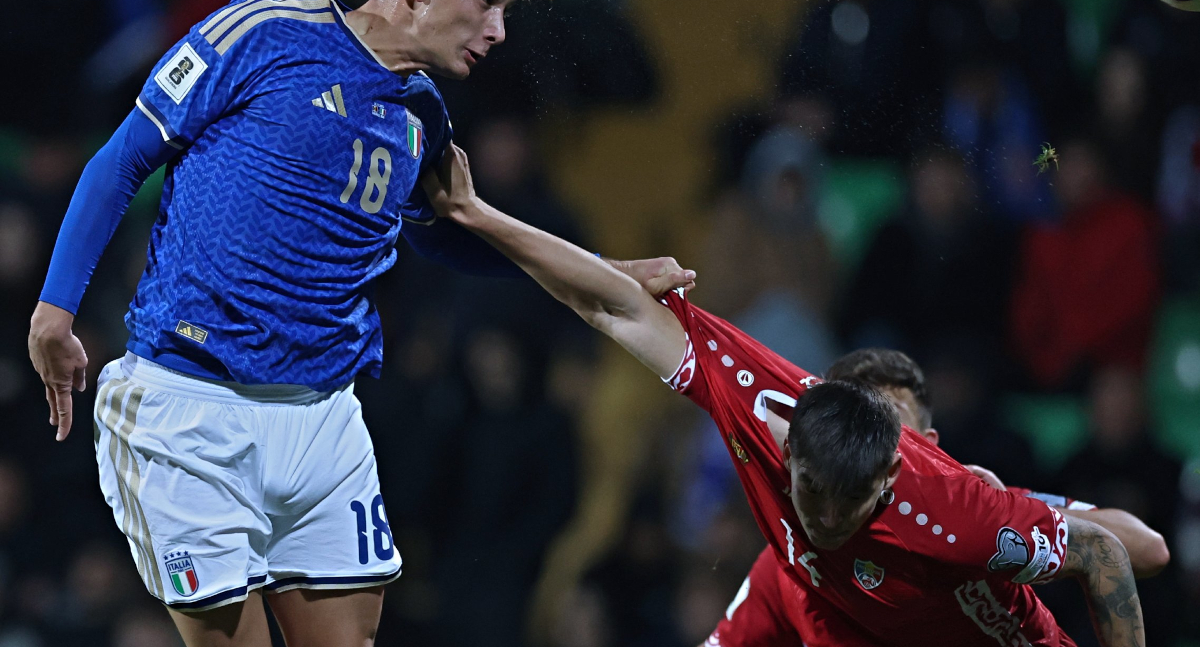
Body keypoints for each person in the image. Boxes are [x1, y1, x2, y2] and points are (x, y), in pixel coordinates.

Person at [26, 0, 573, 647]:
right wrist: (56, 307)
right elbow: (124, 158)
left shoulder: (422, 115)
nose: (498, 29)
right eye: (487, 0)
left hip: (321, 419)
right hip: (190, 408)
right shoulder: (268, 31)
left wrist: (585, 275)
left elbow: (442, 240)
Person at [422, 144, 1147, 647]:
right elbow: (611, 304)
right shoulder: (761, 406)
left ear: (895, 472)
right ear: (785, 448)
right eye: (812, 491)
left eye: (849, 501)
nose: (825, 519)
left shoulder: (959, 508)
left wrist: (1048, 513)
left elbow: (1115, 552)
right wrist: (480, 216)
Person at [704, 348, 1169, 647]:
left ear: (928, 448)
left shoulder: (977, 516)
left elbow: (1146, 549)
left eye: (895, 437)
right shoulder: (791, 561)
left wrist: (1019, 510)